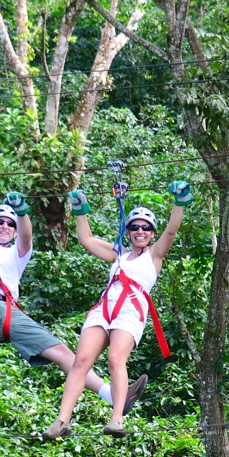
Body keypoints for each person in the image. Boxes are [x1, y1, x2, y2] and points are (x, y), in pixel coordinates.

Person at [0, 189, 147, 449]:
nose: (5, 226)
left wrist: (22, 212)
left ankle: (111, 395)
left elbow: (27, 237)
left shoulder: (17, 252)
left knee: (64, 353)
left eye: (10, 223)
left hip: (9, 309)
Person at [41, 180, 192, 440]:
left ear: (151, 233)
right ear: (128, 231)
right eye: (134, 227)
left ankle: (117, 418)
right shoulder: (118, 254)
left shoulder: (154, 256)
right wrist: (80, 211)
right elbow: (85, 239)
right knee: (80, 362)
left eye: (145, 228)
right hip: (105, 308)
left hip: (131, 310)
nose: (139, 231)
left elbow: (171, 233)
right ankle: (62, 420)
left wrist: (179, 203)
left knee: (115, 359)